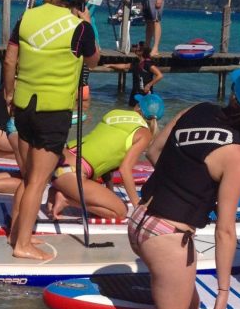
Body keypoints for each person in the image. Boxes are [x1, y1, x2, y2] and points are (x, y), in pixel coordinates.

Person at [129, 67, 240, 309]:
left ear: (233, 94)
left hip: (140, 218)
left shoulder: (197, 108)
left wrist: (183, 180)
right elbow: (225, 230)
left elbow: (153, 152)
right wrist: (223, 292)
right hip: (169, 238)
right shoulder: (237, 155)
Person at [2, 0, 99, 260]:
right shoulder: (79, 28)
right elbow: (93, 62)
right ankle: (23, 245)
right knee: (37, 182)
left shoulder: (27, 16)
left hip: (23, 107)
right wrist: (88, 24)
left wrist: (8, 95)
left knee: (28, 176)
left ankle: (15, 234)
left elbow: (9, 60)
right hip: (52, 112)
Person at [48, 93, 164, 221]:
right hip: (72, 174)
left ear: (137, 108)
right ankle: (66, 199)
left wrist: (110, 193)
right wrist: (138, 206)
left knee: (109, 202)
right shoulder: (144, 133)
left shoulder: (113, 113)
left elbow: (105, 156)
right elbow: (125, 170)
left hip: (55, 162)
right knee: (120, 212)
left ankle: (60, 190)